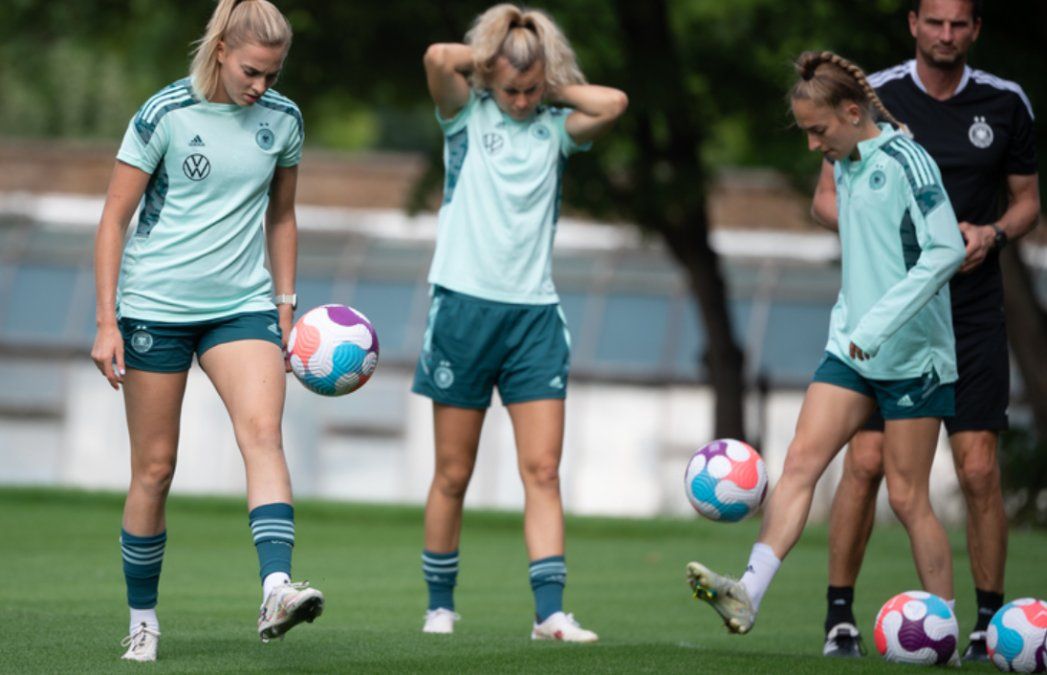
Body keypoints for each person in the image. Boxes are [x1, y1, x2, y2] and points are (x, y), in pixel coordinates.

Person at [686, 51, 966, 650]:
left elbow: (947, 250)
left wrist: (879, 323)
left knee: (907, 497)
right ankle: (748, 593)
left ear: (852, 112)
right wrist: (857, 325)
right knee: (800, 464)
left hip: (913, 356)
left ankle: (942, 626)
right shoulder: (845, 163)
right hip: (851, 348)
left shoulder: (910, 161)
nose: (814, 145)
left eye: (819, 131)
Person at [90, 0, 322, 662]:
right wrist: (106, 320)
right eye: (252, 71)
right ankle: (142, 620)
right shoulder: (164, 113)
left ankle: (276, 589)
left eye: (272, 75)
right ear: (221, 51)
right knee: (155, 469)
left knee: (263, 434)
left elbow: (282, 216)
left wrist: (284, 305)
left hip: (241, 306)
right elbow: (113, 218)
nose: (261, 86)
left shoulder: (284, 120)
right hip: (155, 307)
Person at [812, 0, 1040, 660]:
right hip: (890, 312)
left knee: (978, 468)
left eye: (958, 23)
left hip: (969, 310)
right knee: (866, 461)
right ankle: (839, 618)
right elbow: (824, 198)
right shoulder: (872, 98)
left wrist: (991, 233)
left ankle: (986, 629)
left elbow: (1027, 202)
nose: (945, 34)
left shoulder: (1005, 103)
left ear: (975, 29)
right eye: (934, 22)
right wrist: (894, 236)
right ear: (912, 22)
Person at [414, 3, 627, 642]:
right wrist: (490, 64)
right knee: (454, 473)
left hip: (534, 317)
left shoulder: (556, 128)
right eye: (512, 89)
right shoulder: (465, 114)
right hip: (463, 309)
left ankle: (549, 614)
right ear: (489, 78)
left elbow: (613, 103)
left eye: (532, 89)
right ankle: (440, 607)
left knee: (543, 471)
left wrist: (550, 84)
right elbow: (436, 57)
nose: (521, 100)